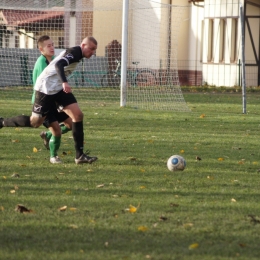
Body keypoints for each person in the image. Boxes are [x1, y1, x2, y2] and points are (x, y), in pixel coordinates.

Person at [0, 36, 98, 165]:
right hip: (45, 88)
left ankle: (80, 156)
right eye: (91, 49)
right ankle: (2, 122)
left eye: (94, 50)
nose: (92, 52)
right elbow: (59, 64)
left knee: (77, 115)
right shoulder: (74, 52)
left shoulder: (78, 55)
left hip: (57, 88)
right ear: (83, 45)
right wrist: (64, 82)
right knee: (35, 122)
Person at [32, 35, 72, 164]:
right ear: (41, 49)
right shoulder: (41, 63)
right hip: (44, 102)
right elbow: (41, 86)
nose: (52, 47)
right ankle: (53, 156)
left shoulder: (55, 60)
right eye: (48, 46)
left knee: (71, 124)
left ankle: (47, 135)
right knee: (57, 130)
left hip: (55, 100)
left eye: (53, 45)